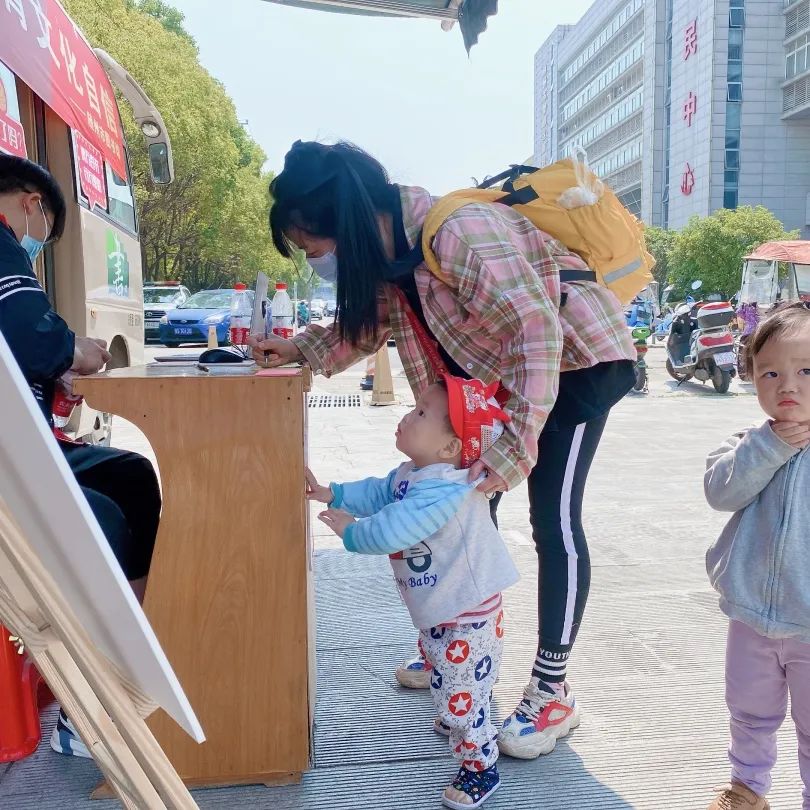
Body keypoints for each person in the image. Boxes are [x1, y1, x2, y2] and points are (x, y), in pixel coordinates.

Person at [248, 140, 636, 763]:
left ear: (347, 220)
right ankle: (462, 656)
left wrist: (515, 444)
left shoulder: (459, 232)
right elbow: (368, 326)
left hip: (577, 364)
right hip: (498, 381)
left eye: (315, 250)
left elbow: (537, 334)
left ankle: (553, 688)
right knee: (467, 515)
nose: (316, 263)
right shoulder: (391, 256)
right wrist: (301, 352)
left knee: (553, 520)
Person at [0, 155, 162, 758]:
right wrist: (75, 351)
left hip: (27, 446)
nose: (40, 236)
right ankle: (88, 696)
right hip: (11, 464)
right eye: (44, 221)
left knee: (131, 472)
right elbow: (31, 336)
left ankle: (135, 645)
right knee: (104, 519)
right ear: (31, 204)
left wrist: (57, 366)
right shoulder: (1, 243)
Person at [307, 375, 519, 809]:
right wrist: (335, 493)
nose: (408, 415)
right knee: (450, 670)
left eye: (422, 413)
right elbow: (381, 491)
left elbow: (394, 528)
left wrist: (352, 531)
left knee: (461, 692)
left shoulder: (445, 488)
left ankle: (481, 765)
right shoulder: (416, 473)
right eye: (414, 406)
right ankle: (461, 699)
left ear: (450, 450)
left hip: (466, 607)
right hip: (444, 603)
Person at [704, 301, 810, 810]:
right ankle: (747, 788)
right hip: (750, 617)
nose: (787, 385)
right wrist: (769, 448)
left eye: (807, 370)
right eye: (771, 372)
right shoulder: (746, 442)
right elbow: (721, 492)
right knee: (749, 711)